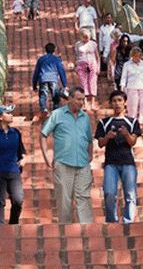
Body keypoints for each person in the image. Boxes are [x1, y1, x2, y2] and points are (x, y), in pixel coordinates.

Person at [40, 87, 94, 224]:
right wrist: (47, 157)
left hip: (83, 163)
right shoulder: (57, 114)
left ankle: (86, 228)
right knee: (64, 198)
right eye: (78, 99)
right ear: (69, 98)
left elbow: (89, 139)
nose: (81, 102)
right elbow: (43, 135)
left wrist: (90, 155)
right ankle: (65, 228)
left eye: (83, 99)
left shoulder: (85, 117)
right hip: (63, 163)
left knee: (84, 196)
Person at [95, 90, 141, 223]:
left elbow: (133, 142)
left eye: (120, 100)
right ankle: (111, 221)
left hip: (128, 162)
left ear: (125, 103)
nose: (117, 104)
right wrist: (108, 137)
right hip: (111, 163)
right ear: (110, 103)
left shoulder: (132, 122)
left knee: (130, 194)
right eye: (114, 101)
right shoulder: (104, 123)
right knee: (109, 193)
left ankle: (128, 222)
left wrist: (126, 134)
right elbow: (100, 143)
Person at [120, 47, 143, 133]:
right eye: (136, 56)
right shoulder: (127, 64)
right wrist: (122, 88)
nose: (137, 58)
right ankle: (132, 126)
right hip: (132, 87)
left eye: (139, 56)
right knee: (132, 107)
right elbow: (124, 77)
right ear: (132, 56)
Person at [32, 42, 68, 118]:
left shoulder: (41, 59)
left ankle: (44, 109)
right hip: (53, 79)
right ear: (54, 50)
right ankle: (55, 111)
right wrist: (64, 84)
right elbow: (61, 71)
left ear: (46, 50)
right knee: (55, 97)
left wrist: (34, 85)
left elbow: (36, 72)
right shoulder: (57, 59)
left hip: (43, 79)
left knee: (43, 95)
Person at [73, 29, 100, 112]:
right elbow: (76, 56)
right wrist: (75, 66)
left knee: (92, 83)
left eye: (87, 37)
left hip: (92, 64)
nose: (86, 38)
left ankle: (92, 102)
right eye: (84, 37)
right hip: (81, 64)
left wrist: (98, 66)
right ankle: (84, 103)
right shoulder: (78, 45)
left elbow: (97, 56)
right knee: (83, 84)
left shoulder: (93, 44)